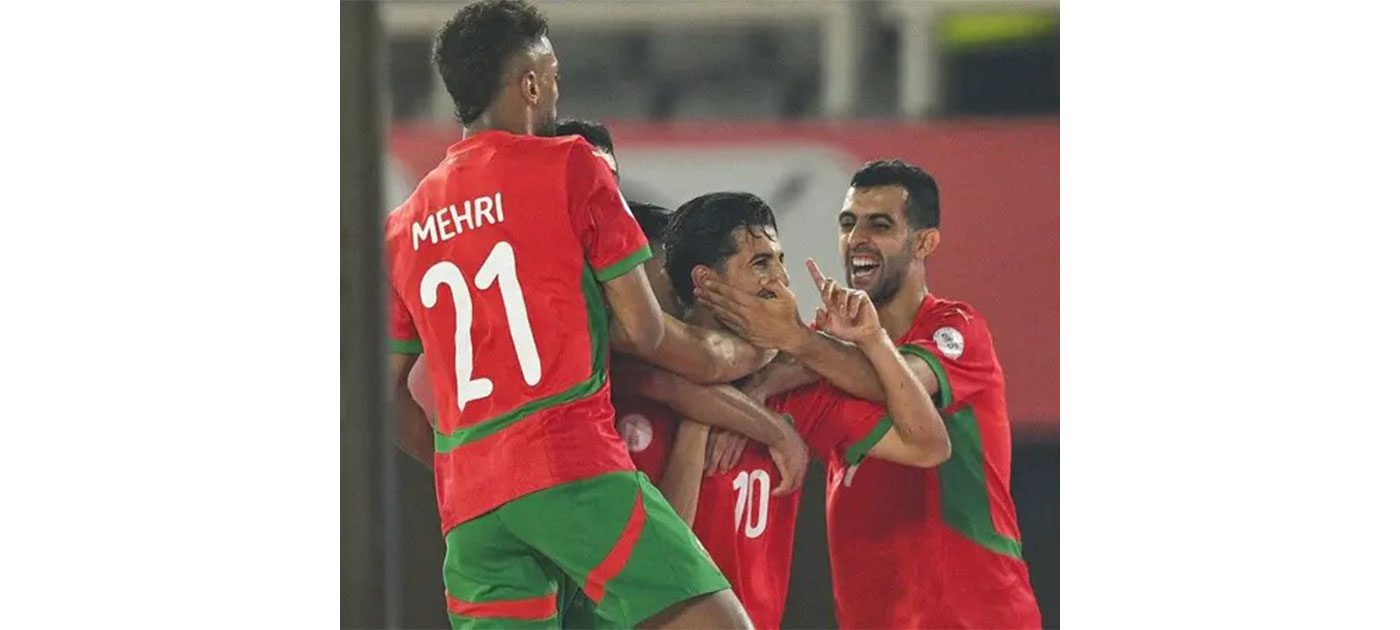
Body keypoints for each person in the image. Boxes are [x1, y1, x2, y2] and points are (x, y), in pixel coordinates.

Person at [383, 2, 751, 628]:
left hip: (470, 506)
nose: (556, 90)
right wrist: (741, 353)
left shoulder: (404, 225)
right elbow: (645, 330)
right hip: (572, 470)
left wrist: (459, 462)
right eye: (553, 75)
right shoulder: (570, 165)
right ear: (530, 84)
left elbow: (385, 398)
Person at [696, 160, 1042, 628]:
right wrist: (756, 396)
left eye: (879, 225)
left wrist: (800, 343)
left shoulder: (957, 328)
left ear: (924, 242)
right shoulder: (825, 351)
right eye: (848, 223)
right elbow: (771, 369)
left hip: (976, 617)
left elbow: (896, 382)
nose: (857, 238)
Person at [640, 192, 951, 628]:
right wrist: (705, 414)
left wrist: (872, 339)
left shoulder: (794, 391)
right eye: (761, 263)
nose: (782, 280)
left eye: (780, 261)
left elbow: (927, 444)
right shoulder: (639, 393)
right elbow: (659, 565)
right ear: (706, 282)